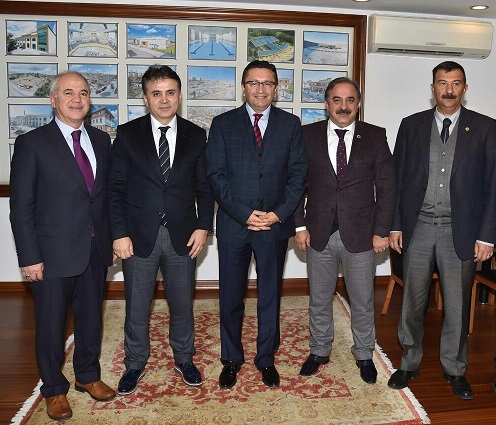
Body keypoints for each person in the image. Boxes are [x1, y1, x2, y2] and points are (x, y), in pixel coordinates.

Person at [9, 71, 116, 421]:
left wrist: (113, 238)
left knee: (91, 320)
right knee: (51, 326)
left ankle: (87, 375)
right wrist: (29, 257)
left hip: (94, 251)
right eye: (68, 92)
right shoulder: (32, 143)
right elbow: (21, 206)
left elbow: (104, 198)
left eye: (83, 93)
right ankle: (54, 388)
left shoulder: (101, 140)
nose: (77, 99)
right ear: (53, 100)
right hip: (51, 254)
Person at [387, 61, 496, 400]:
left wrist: (487, 236)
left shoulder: (486, 128)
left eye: (456, 83)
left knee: (458, 306)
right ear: (432, 87)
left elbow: (493, 186)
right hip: (418, 228)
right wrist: (394, 225)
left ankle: (455, 369)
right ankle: (409, 362)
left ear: (465, 88)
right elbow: (397, 180)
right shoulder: (411, 125)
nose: (449, 90)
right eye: (442, 83)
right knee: (412, 302)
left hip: (460, 232)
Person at [109, 65, 214, 396]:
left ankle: (184, 358)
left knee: (182, 304)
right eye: (156, 93)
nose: (164, 99)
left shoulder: (196, 135)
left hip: (183, 234)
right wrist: (119, 233)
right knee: (137, 307)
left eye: (170, 92)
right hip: (138, 236)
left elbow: (205, 188)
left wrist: (204, 227)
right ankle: (135, 363)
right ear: (145, 98)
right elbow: (115, 189)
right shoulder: (127, 134)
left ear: (179, 96)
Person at [206, 60, 307, 389]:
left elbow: (297, 176)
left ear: (276, 88)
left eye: (267, 83)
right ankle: (231, 359)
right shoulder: (222, 124)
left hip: (274, 226)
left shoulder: (291, 125)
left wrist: (278, 214)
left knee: (270, 296)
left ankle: (266, 358)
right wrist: (244, 213)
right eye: (254, 82)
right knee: (230, 297)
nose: (260, 89)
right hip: (235, 225)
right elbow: (216, 176)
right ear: (243, 87)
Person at [294, 77, 396, 384]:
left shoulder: (375, 136)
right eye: (337, 100)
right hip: (318, 232)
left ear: (358, 104)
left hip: (362, 234)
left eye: (350, 100)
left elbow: (388, 187)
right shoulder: (307, 135)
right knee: (319, 297)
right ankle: (319, 349)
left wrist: (381, 231)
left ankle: (364, 353)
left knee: (362, 300)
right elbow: (295, 184)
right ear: (326, 104)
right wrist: (299, 225)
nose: (343, 106)